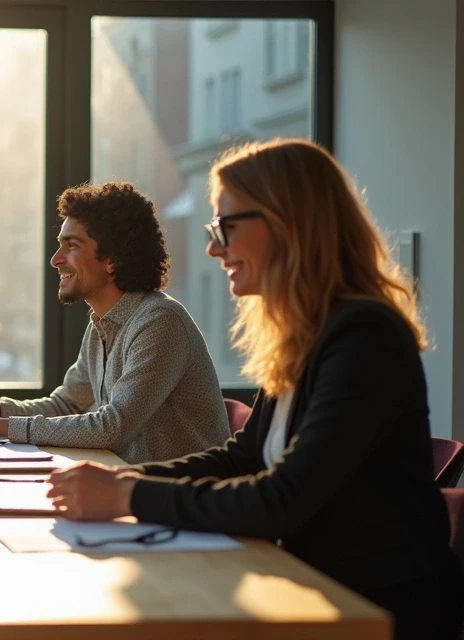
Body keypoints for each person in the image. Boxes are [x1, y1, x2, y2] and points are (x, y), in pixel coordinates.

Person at [46, 139, 464, 640]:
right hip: (311, 586)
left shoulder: (364, 336)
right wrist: (125, 478)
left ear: (286, 224)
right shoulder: (304, 334)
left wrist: (128, 494)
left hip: (375, 611)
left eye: (225, 228)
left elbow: (283, 498)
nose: (213, 249)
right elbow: (243, 456)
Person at [0, 182, 228, 464]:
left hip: (175, 488)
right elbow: (66, 403)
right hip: (127, 480)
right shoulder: (101, 324)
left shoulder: (160, 322)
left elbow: (112, 427)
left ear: (112, 259)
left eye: (72, 246)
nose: (55, 259)